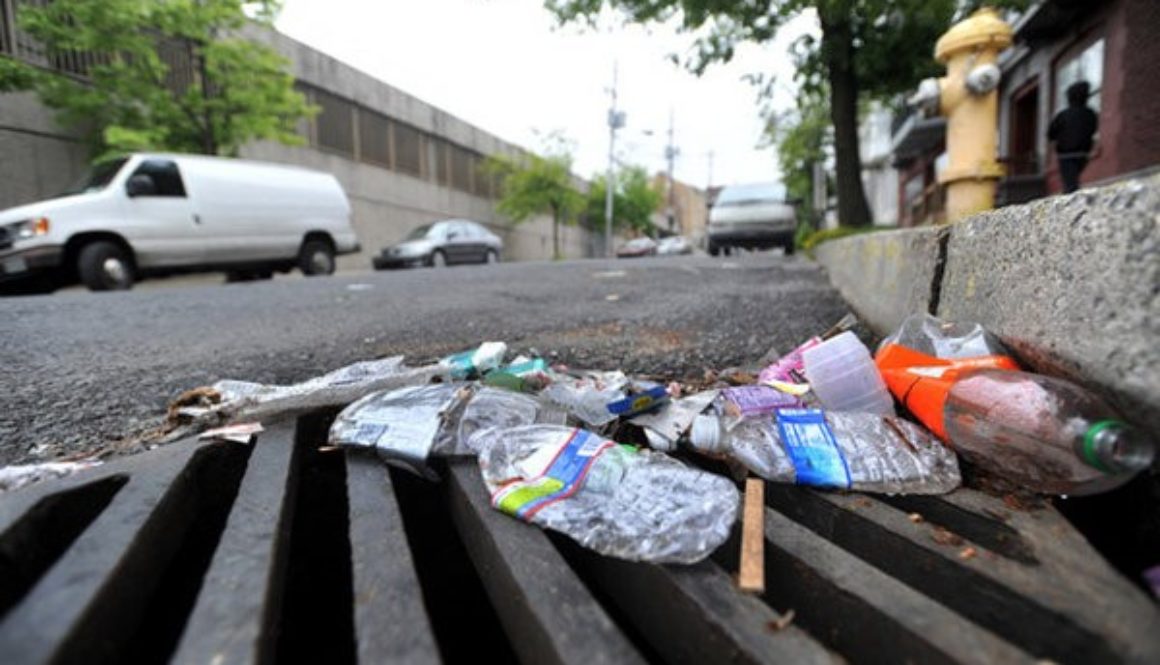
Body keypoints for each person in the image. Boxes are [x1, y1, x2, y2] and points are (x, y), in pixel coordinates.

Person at [1047, 81, 1099, 193]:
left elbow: (1051, 135)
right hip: (1083, 153)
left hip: (1066, 155)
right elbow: (1094, 130)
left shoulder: (1062, 115)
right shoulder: (1090, 114)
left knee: (1070, 184)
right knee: (1073, 180)